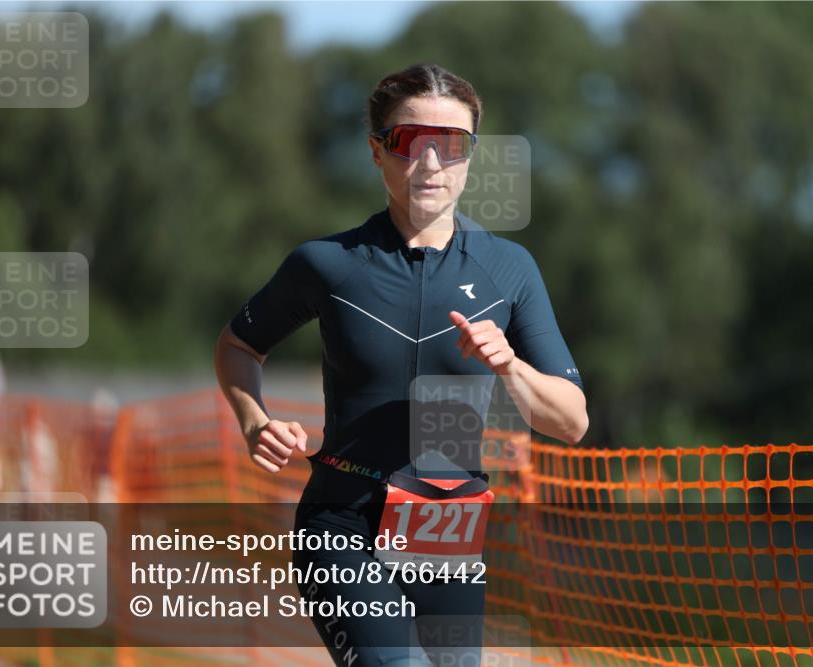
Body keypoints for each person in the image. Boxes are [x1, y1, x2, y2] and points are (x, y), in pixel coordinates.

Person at [214, 63, 588, 667]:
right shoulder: (327, 264)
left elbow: (571, 421)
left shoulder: (509, 269)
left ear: (471, 156)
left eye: (453, 145)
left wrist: (511, 367)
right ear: (377, 151)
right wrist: (253, 418)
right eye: (412, 142)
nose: (433, 163)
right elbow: (238, 346)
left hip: (446, 528)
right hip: (342, 525)